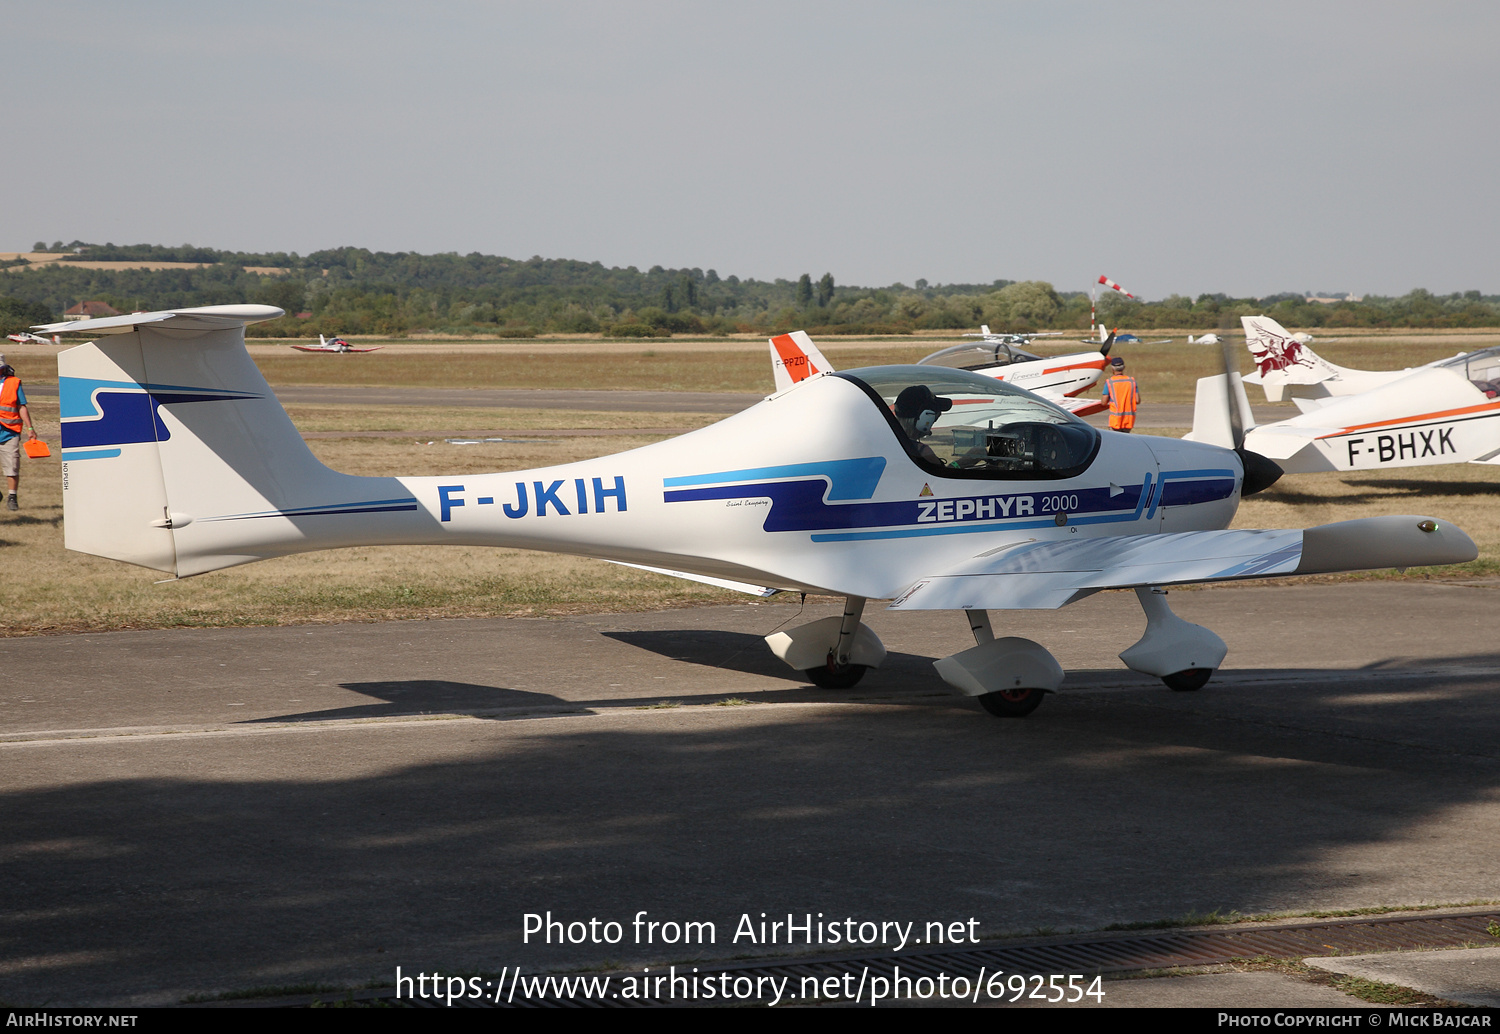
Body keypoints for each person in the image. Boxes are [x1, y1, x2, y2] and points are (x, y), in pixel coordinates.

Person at [0, 356, 38, 509]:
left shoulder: (13, 383)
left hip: (10, 432)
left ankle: (12, 496)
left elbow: (21, 406)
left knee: (12, 465)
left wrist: (30, 428)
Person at [894, 384, 952, 465]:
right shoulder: (922, 452)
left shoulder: (888, 442)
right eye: (933, 418)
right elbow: (947, 475)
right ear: (924, 419)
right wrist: (967, 460)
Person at [1100, 356, 1140, 432]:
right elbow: (1137, 400)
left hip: (1115, 421)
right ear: (1124, 367)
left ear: (1112, 368)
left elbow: (1103, 402)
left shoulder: (1110, 382)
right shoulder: (1132, 381)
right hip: (1128, 420)